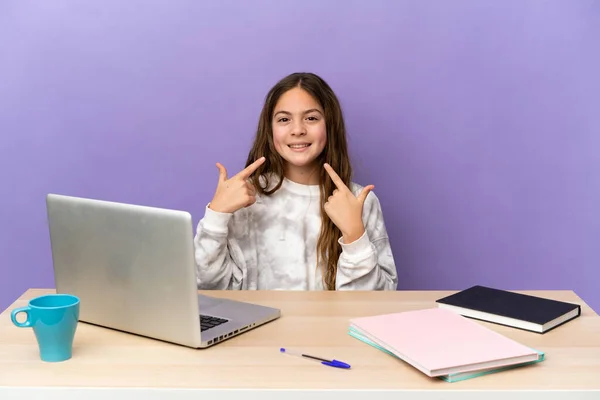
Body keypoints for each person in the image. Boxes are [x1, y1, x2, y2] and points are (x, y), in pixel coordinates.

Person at [194, 72, 397, 290]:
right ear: (270, 130)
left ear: (329, 125)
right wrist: (216, 215)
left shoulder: (358, 201)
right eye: (284, 119)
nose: (298, 130)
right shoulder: (244, 197)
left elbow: (379, 299)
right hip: (260, 325)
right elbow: (210, 288)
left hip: (331, 326)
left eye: (311, 118)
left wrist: (354, 236)